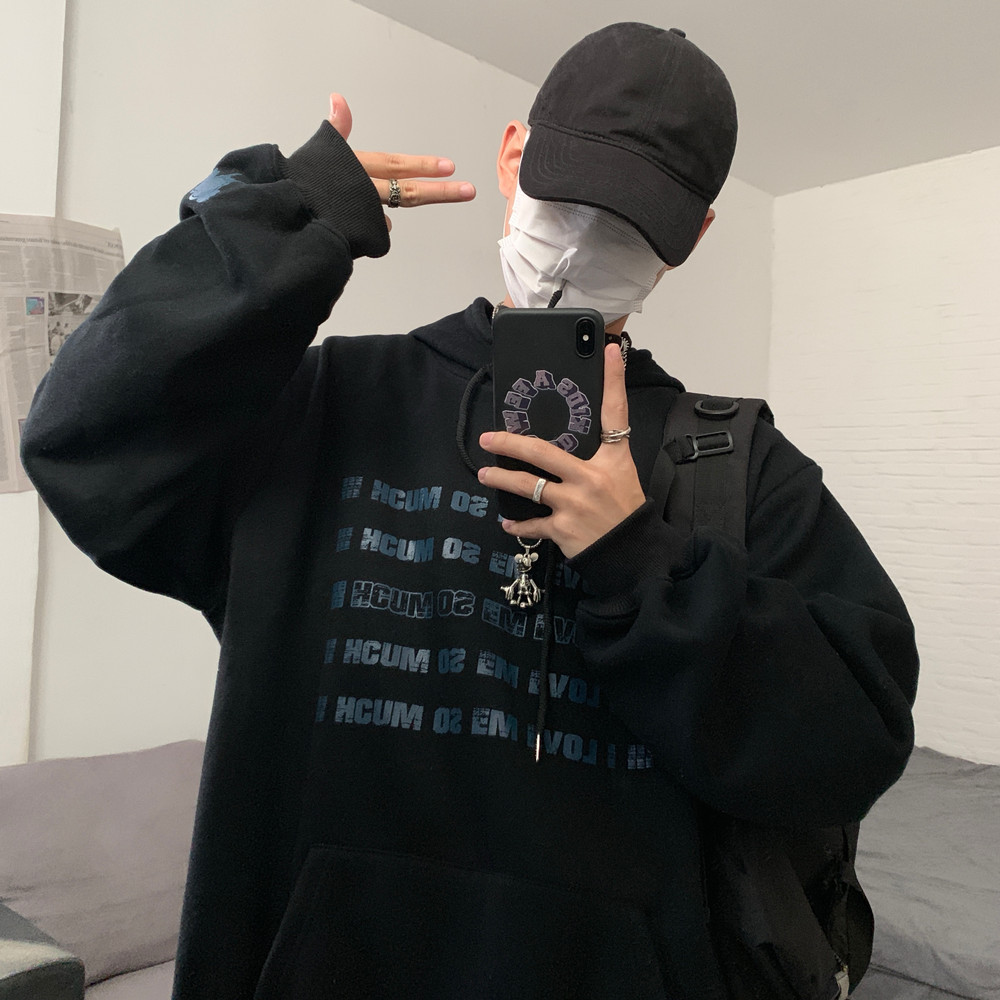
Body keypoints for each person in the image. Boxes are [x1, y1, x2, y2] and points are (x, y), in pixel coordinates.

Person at [21, 22, 917, 1000]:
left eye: (629, 226)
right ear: (511, 156)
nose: (581, 244)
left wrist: (637, 559)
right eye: (566, 198)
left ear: (690, 240)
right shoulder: (328, 405)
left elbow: (852, 747)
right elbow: (84, 443)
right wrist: (285, 222)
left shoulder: (737, 468)